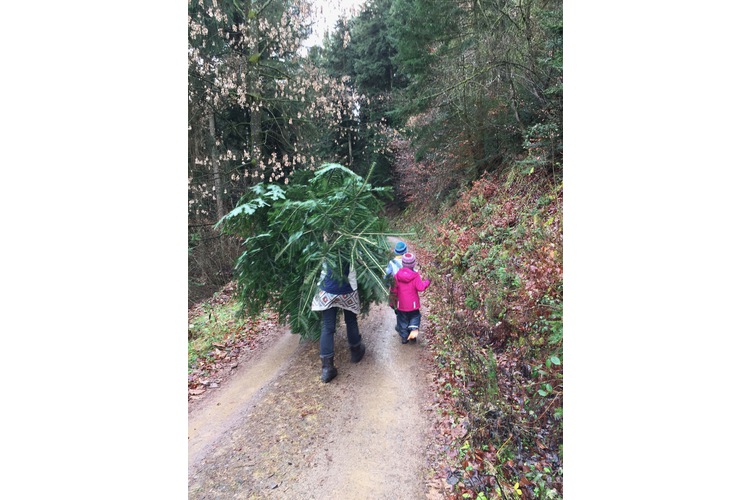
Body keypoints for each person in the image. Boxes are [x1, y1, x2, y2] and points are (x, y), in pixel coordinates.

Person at [310, 258, 366, 382]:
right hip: (347, 290)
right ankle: (356, 351)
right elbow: (361, 261)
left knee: (328, 326)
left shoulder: (326, 244)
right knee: (351, 320)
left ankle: (327, 368)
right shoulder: (353, 241)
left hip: (327, 290)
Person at [393, 252, 431, 344]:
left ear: (402, 263)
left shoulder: (397, 275)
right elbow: (420, 287)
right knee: (415, 317)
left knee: (402, 320)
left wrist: (392, 303)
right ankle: (413, 333)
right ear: (413, 264)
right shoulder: (415, 276)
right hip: (413, 305)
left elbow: (393, 290)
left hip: (401, 305)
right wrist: (428, 281)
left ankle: (404, 337)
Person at [383, 241, 407, 330]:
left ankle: (400, 325)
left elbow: (386, 275)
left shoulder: (392, 262)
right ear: (406, 251)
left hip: (395, 289)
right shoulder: (409, 260)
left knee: (397, 307)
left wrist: (387, 284)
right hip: (408, 289)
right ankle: (409, 326)